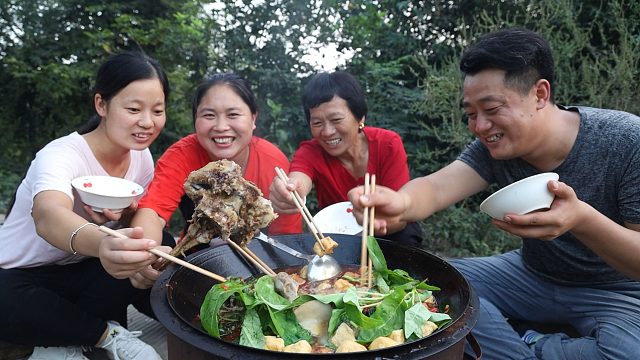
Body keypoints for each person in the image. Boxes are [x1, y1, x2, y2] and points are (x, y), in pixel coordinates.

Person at [348, 27, 640, 360]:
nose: (480, 126)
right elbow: (436, 186)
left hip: (614, 289)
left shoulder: (626, 141)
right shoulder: (492, 148)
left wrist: (582, 219)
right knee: (433, 285)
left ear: (540, 94)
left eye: (492, 109)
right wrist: (400, 202)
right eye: (471, 114)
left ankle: (529, 345)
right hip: (530, 276)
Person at [0, 52, 171, 360]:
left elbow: (135, 219)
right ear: (101, 104)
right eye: (134, 109)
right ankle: (106, 336)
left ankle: (63, 338)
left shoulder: (141, 158)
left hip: (84, 272)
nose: (147, 122)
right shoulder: (62, 154)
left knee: (160, 244)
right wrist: (104, 241)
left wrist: (138, 249)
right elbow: (48, 215)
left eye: (157, 110)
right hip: (23, 276)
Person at [131, 73, 301, 248]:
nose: (221, 127)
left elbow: (286, 236)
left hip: (261, 256)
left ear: (253, 118)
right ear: (195, 119)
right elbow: (152, 211)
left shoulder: (272, 161)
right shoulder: (182, 154)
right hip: (198, 254)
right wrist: (144, 250)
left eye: (233, 114)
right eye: (209, 115)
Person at [269, 71, 423, 246]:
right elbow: (298, 180)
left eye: (336, 119)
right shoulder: (310, 151)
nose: (327, 132)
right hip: (340, 241)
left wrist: (375, 225)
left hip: (390, 232)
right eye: (317, 123)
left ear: (360, 117)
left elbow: (401, 215)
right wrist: (290, 192)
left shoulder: (387, 144)